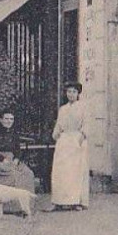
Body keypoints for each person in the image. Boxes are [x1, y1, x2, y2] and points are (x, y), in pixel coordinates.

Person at [0, 109, 37, 214]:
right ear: (1, 120)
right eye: (6, 119)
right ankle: (1, 207)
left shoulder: (13, 133)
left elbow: (17, 149)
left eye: (11, 119)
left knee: (28, 174)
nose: (9, 121)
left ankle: (24, 207)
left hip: (11, 159)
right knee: (14, 175)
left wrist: (16, 159)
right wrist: (3, 159)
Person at [49, 82, 89, 210]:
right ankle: (59, 201)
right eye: (69, 92)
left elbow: (86, 124)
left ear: (78, 94)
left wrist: (81, 138)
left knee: (75, 171)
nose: (71, 94)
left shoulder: (83, 107)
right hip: (63, 141)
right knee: (61, 171)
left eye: (74, 92)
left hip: (76, 140)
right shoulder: (63, 109)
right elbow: (59, 125)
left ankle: (76, 201)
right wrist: (56, 135)